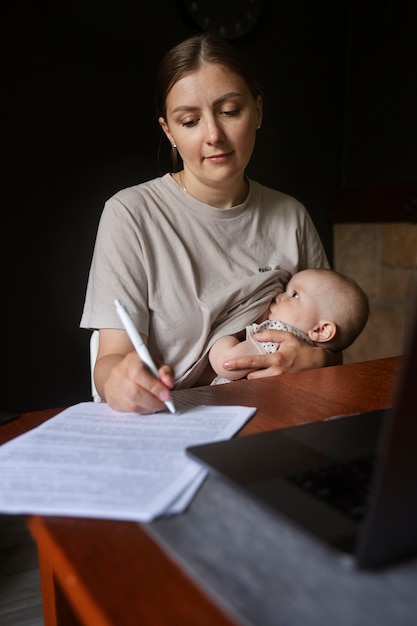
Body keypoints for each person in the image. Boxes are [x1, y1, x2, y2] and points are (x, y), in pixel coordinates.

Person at [80, 33, 341, 414]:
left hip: (276, 415)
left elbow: (332, 343)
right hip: (174, 420)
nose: (213, 136)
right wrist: (120, 380)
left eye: (230, 111)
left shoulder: (291, 216)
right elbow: (112, 358)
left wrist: (318, 361)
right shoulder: (130, 214)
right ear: (169, 131)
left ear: (258, 111)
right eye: (189, 121)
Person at [209, 268, 369, 384]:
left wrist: (227, 334)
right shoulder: (309, 353)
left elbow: (227, 363)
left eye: (295, 295)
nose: (279, 296)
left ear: (321, 330)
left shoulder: (280, 337)